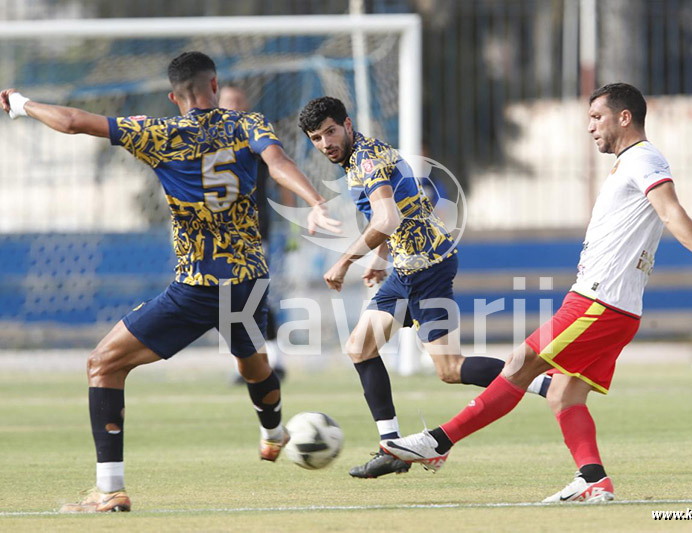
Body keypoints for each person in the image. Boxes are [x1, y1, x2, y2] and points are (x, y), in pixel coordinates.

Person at [1, 51, 340, 513]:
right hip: (250, 279)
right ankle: (272, 432)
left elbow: (75, 121)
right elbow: (277, 160)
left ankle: (110, 491)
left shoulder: (158, 133)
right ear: (215, 84)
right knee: (253, 364)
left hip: (199, 284)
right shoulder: (247, 124)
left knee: (103, 365)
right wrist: (315, 200)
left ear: (173, 95)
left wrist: (22, 103)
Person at [380, 82, 692, 503]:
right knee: (563, 392)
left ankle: (438, 443)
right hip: (614, 305)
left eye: (596, 117)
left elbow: (670, 209)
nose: (590, 127)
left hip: (599, 301)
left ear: (624, 117)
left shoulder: (643, 158)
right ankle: (593, 480)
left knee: (521, 362)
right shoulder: (629, 162)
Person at [298, 96, 551, 479]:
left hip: (425, 268)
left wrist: (345, 259)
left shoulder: (366, 160)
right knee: (360, 348)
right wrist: (381, 257)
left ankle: (546, 383)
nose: (325, 143)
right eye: (316, 138)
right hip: (408, 267)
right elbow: (394, 211)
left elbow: (387, 216)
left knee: (450, 369)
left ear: (347, 125)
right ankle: (392, 448)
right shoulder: (359, 157)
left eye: (330, 132)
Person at [219, 85, 293, 382]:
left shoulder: (256, 136)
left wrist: (293, 227)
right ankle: (248, 363)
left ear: (246, 104)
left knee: (252, 294)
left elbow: (281, 175)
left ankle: (274, 359)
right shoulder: (206, 139)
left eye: (237, 101)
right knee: (228, 299)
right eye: (227, 102)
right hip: (216, 235)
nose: (232, 107)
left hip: (252, 228)